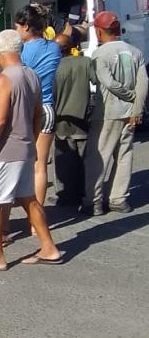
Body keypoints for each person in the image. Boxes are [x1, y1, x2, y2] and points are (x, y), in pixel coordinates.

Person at [0, 29, 61, 270]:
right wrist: (31, 139)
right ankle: (49, 247)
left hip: (4, 152)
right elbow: (37, 114)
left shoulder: (4, 79)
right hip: (25, 147)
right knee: (29, 200)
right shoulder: (32, 75)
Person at [84, 10, 148, 215]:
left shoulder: (99, 54)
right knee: (124, 155)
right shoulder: (135, 52)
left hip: (108, 113)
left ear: (99, 31)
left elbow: (104, 81)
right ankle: (119, 199)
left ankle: (94, 202)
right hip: (130, 113)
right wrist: (137, 106)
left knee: (99, 156)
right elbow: (143, 83)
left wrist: (128, 95)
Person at [15, 4, 61, 208]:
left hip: (27, 109)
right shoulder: (53, 47)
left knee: (20, 164)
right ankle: (38, 217)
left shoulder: (23, 52)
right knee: (40, 164)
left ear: (25, 27)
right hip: (48, 107)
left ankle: (24, 209)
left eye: (17, 26)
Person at [52, 33, 93, 207]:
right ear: (71, 47)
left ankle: (66, 195)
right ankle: (84, 191)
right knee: (84, 160)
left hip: (61, 121)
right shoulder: (85, 62)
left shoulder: (53, 67)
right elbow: (96, 81)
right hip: (82, 118)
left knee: (63, 161)